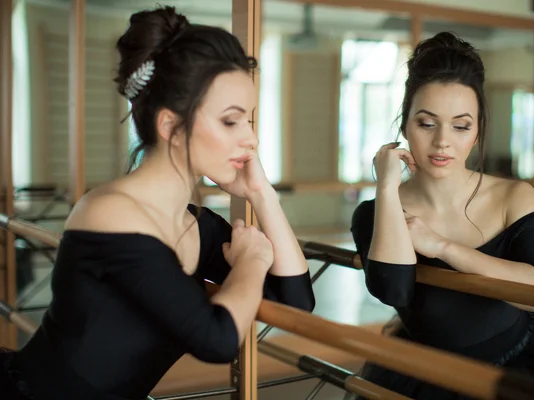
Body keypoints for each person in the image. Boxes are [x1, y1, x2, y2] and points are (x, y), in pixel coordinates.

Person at [0, 6, 315, 399]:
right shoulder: (110, 213)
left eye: (249, 120)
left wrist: (260, 194)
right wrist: (251, 260)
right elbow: (214, 340)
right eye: (231, 121)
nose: (250, 138)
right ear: (170, 126)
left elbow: (297, 301)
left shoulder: (195, 226)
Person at [351, 32, 534, 399]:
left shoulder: (514, 196)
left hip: (520, 367)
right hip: (425, 376)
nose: (442, 142)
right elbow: (393, 289)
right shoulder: (375, 212)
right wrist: (386, 186)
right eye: (426, 123)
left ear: (477, 131)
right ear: (404, 126)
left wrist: (442, 246)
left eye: (461, 125)